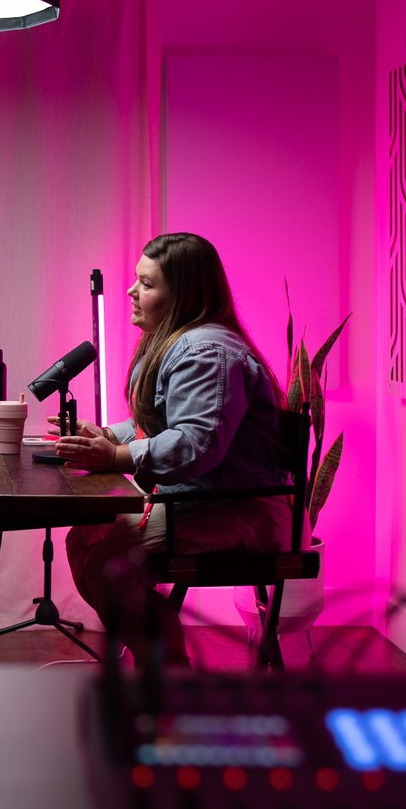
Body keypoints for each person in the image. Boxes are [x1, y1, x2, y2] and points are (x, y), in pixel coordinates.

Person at [54, 232, 290, 663]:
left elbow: (194, 445)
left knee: (107, 562)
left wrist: (115, 457)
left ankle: (165, 674)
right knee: (83, 540)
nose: (131, 291)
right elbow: (157, 424)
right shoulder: (178, 341)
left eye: (146, 283)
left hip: (243, 511)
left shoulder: (207, 352)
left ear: (181, 294)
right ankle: (157, 657)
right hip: (206, 502)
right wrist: (107, 438)